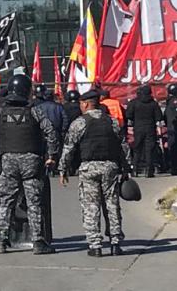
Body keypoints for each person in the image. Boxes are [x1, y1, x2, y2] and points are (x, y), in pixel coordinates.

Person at [0, 75, 58, 255]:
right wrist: (51, 155)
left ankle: (1, 241)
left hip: (8, 161)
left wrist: (3, 152)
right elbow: (51, 132)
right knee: (34, 202)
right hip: (31, 160)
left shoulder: (0, 113)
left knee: (6, 203)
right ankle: (37, 242)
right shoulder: (34, 111)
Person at [59, 90, 131, 257]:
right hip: (110, 168)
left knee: (91, 206)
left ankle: (95, 245)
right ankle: (115, 243)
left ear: (85, 104)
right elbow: (123, 146)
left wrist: (63, 169)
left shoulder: (80, 123)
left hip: (89, 168)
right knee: (112, 205)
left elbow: (69, 148)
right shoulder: (112, 122)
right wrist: (126, 168)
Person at [125, 85, 162, 177]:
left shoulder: (134, 103)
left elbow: (128, 115)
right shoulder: (153, 103)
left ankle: (135, 170)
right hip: (150, 128)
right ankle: (149, 171)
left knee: (137, 149)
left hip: (138, 128)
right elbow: (159, 117)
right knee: (149, 150)